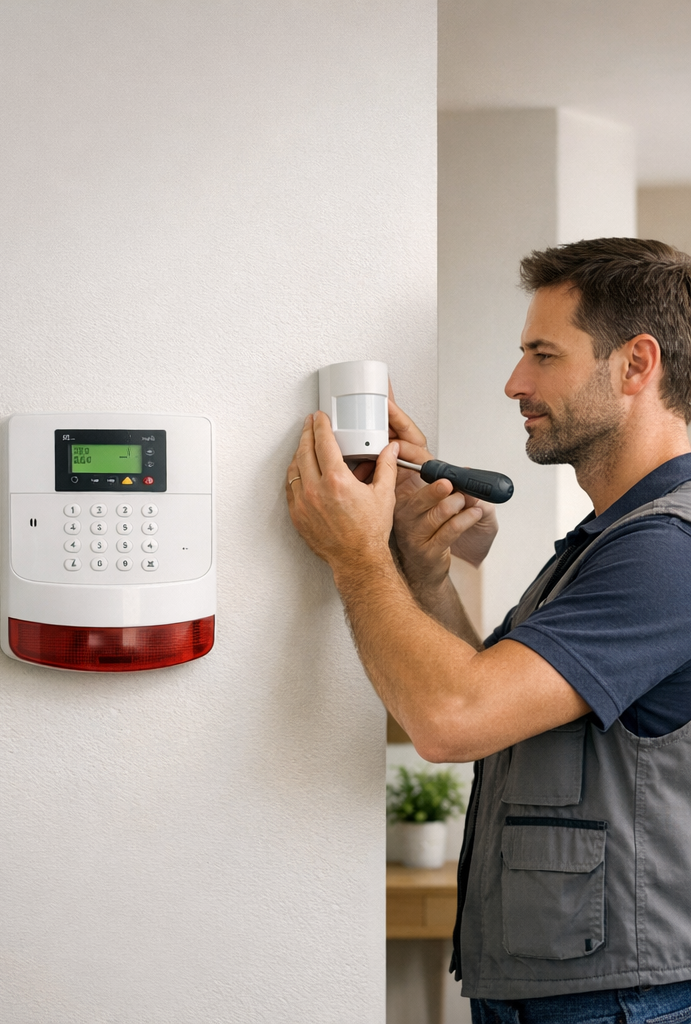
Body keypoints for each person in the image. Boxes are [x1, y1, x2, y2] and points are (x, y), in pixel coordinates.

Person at [285, 237, 691, 1024]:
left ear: (637, 365)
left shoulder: (668, 550)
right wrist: (423, 571)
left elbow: (450, 719)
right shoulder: (610, 540)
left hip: (620, 1002)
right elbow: (485, 702)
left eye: (544, 355)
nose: (515, 383)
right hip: (563, 987)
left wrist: (355, 556)